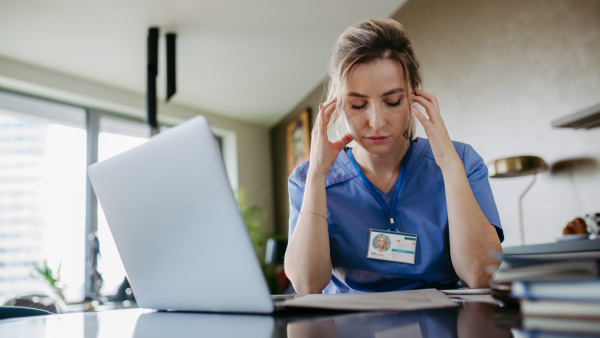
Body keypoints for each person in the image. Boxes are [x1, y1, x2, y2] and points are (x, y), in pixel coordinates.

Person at [284, 19, 503, 294]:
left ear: (414, 93)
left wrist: (449, 165)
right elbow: (306, 284)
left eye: (392, 101)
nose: (376, 122)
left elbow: (481, 275)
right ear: (338, 103)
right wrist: (317, 175)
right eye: (357, 104)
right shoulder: (307, 179)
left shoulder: (462, 160)